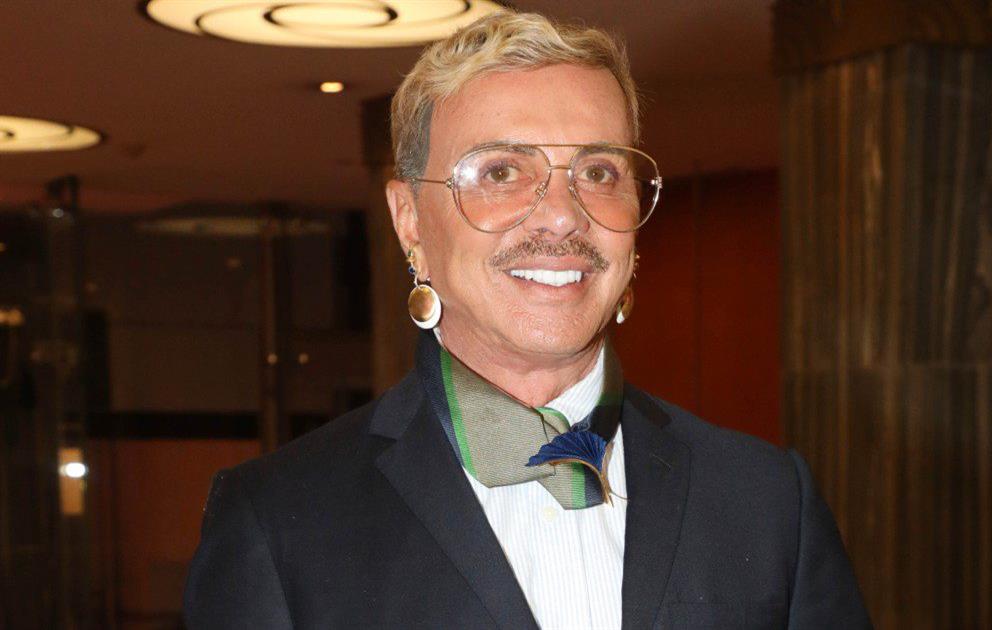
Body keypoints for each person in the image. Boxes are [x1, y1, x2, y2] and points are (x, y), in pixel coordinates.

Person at [184, 10, 870, 629]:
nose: (563, 216)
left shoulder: (767, 503)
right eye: (501, 172)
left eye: (599, 172)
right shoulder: (279, 523)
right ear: (410, 220)